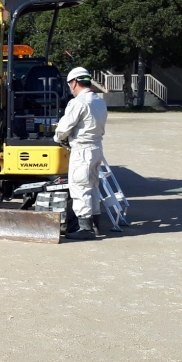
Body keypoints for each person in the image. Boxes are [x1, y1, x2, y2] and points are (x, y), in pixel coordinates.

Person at [55, 67, 108, 240]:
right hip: (96, 147)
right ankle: (95, 225)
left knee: (80, 187)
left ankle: (85, 229)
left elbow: (63, 128)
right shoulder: (99, 101)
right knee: (92, 186)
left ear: (74, 82)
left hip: (82, 150)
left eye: (70, 84)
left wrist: (57, 137)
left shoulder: (78, 102)